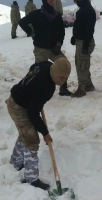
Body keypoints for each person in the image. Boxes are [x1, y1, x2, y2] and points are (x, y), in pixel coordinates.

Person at [7, 59, 72, 190]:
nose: (63, 81)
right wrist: (45, 133)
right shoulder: (46, 87)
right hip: (17, 106)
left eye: (66, 78)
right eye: (61, 78)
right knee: (31, 138)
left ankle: (16, 162)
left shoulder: (46, 65)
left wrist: (32, 93)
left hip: (23, 101)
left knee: (25, 133)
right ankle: (31, 178)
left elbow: (34, 66)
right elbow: (33, 113)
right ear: (55, 72)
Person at [18, 0, 72, 96]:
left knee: (64, 64)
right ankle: (38, 90)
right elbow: (22, 22)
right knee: (39, 70)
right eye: (50, 1)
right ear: (45, 2)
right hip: (40, 48)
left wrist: (59, 44)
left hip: (54, 48)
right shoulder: (36, 14)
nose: (53, 3)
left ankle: (63, 88)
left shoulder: (56, 16)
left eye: (53, 1)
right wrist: (31, 33)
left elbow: (61, 32)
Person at [70, 0, 97, 97]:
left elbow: (89, 29)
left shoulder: (87, 11)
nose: (75, 3)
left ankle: (82, 89)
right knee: (81, 63)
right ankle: (88, 85)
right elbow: (80, 27)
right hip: (81, 40)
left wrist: (85, 44)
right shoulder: (84, 10)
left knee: (82, 65)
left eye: (75, 1)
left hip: (85, 41)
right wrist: (74, 36)